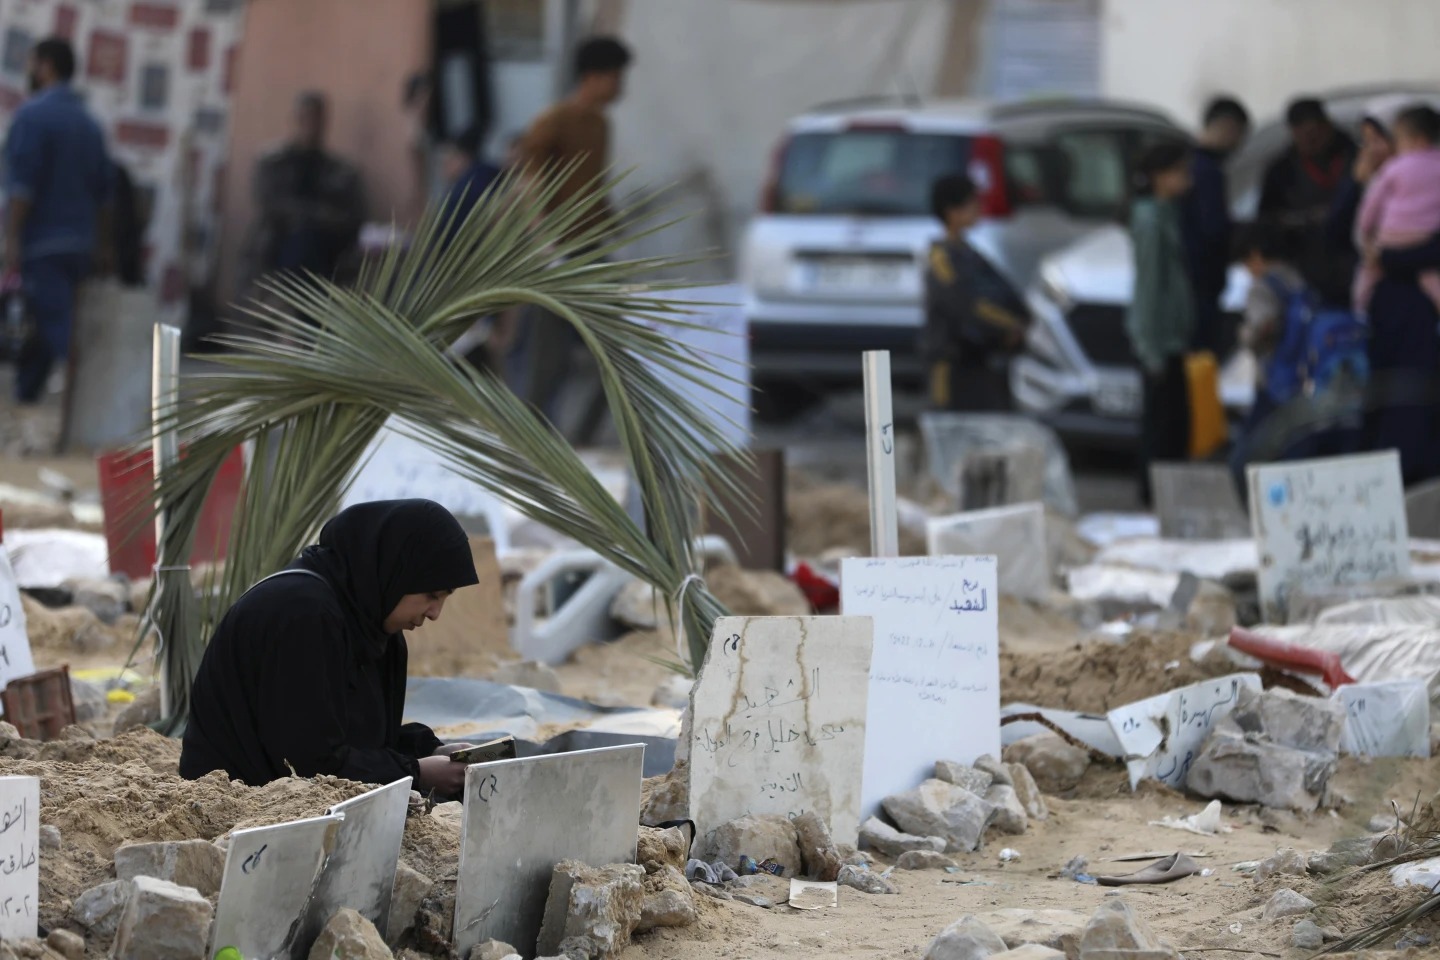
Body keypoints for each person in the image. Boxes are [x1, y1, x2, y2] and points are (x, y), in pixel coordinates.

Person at [180, 500, 481, 794]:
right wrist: (417, 772)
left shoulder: (371, 625)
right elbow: (307, 763)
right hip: (234, 805)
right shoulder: (302, 614)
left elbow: (355, 738)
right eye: (431, 595)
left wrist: (431, 749)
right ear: (395, 569)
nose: (435, 613)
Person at [513, 37, 632, 437]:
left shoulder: (600, 124)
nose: (620, 86)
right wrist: (543, 243)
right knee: (548, 360)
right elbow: (529, 183)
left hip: (592, 251)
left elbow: (591, 187)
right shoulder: (554, 121)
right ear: (593, 77)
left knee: (618, 351)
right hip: (558, 254)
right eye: (616, 77)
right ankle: (530, 441)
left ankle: (579, 440)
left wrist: (612, 222)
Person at [2, 37, 112, 407]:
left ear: (46, 66)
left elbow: (21, 187)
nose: (29, 73)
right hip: (79, 243)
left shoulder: (33, 116)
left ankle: (88, 402)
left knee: (53, 327)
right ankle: (26, 397)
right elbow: (104, 194)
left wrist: (11, 238)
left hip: (42, 242)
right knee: (44, 323)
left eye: (33, 64)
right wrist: (100, 246)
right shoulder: (90, 124)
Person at [241, 91, 366, 301]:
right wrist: (313, 214)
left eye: (316, 119)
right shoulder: (273, 163)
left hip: (327, 250)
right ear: (295, 119)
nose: (310, 125)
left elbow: (352, 217)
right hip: (277, 244)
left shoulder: (340, 171)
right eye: (305, 118)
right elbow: (270, 205)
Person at [920, 174, 1026, 412]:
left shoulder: (969, 253)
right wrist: (1009, 325)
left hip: (977, 357)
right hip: (950, 360)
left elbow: (1005, 291)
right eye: (972, 203)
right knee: (947, 425)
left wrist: (1021, 319)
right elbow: (965, 304)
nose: (978, 209)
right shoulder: (942, 258)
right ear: (952, 212)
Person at [1127, 143, 1196, 505]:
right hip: (1158, 339)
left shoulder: (1168, 213)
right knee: (1160, 427)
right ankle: (1154, 497)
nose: (1187, 180)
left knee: (1175, 427)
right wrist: (1151, 348)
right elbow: (1151, 286)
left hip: (1172, 337)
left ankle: (1167, 494)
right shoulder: (1151, 219)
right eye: (1179, 172)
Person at [1228, 225, 1307, 486]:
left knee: (1246, 457)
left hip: (1272, 380)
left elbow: (1263, 325)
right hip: (1301, 378)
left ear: (1256, 256)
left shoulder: (1262, 287)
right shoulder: (1296, 279)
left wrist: (1244, 335)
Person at [1258, 98, 1358, 305]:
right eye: (1302, 136)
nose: (1310, 143)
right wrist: (1302, 220)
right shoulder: (1281, 170)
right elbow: (1266, 219)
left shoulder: (1355, 158)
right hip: (1304, 266)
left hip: (1353, 261)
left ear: (1327, 127)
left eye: (1315, 135)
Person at [1353, 104, 1440, 316]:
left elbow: (1370, 206)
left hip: (1390, 238)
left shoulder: (1393, 168)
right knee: (1431, 278)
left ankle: (1359, 312)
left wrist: (1366, 234)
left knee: (1366, 278)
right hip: (1426, 236)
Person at [1183, 96, 1250, 355]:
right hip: (1200, 285)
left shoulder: (1190, 163)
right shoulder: (1206, 170)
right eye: (1239, 135)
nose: (1238, 145)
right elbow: (1214, 228)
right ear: (1228, 127)